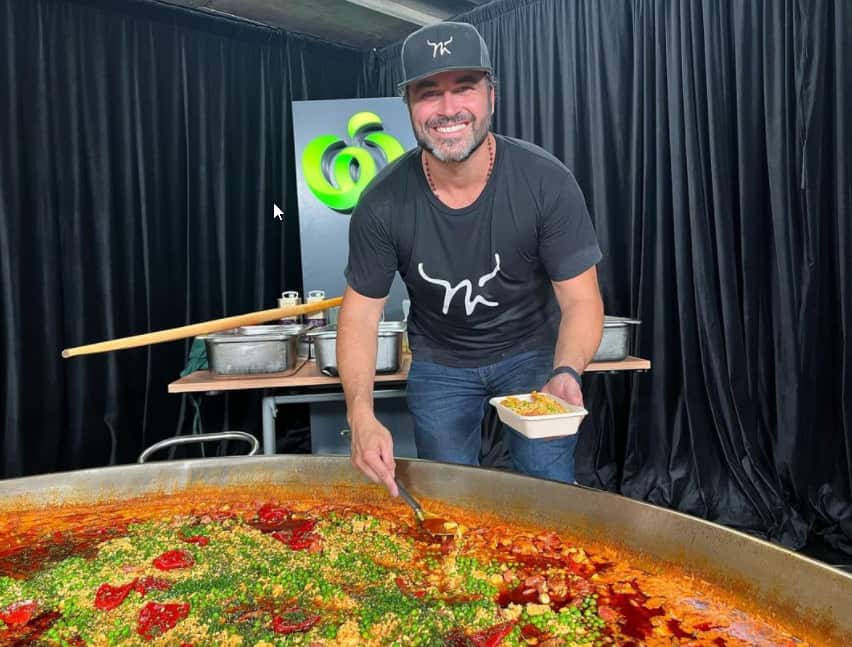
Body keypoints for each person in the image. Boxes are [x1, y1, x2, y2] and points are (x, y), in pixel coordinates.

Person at [337, 21, 603, 497]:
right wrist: (360, 415)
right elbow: (360, 316)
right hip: (440, 362)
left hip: (530, 354)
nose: (448, 108)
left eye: (464, 88)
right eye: (428, 93)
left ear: (491, 97)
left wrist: (566, 372)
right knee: (448, 498)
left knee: (548, 492)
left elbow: (582, 301)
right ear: (409, 107)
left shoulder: (546, 183)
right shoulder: (381, 203)